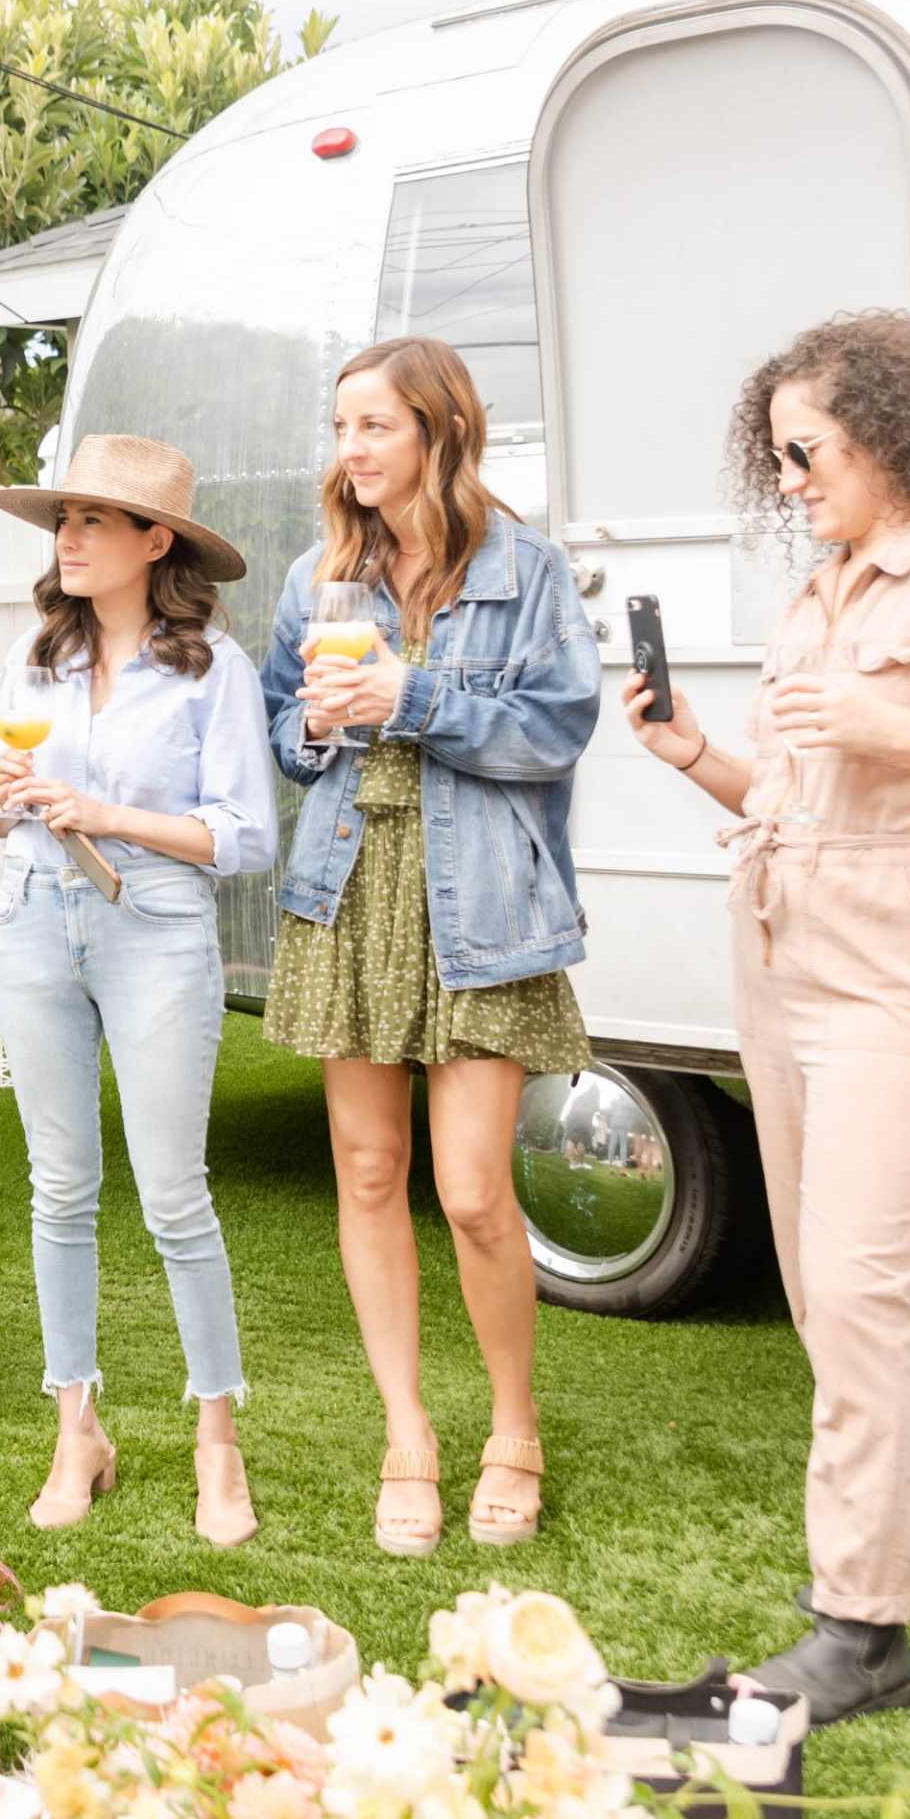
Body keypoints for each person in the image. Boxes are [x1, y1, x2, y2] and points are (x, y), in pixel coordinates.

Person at [621, 311, 910, 1725]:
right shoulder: (824, 593)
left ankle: (861, 1625)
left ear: (892, 433)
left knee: (864, 1274)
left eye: (806, 450)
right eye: (775, 456)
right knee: (833, 1278)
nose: (789, 479)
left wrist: (898, 731)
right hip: (787, 941)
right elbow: (796, 789)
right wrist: (697, 751)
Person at [260, 338, 602, 1560]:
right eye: (341, 426)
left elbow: (556, 734)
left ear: (438, 433)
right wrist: (310, 722)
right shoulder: (321, 574)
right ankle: (408, 1431)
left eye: (373, 427)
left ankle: (515, 1425)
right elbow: (281, 732)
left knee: (469, 1191)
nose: (349, 449)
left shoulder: (528, 569)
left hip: (485, 898)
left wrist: (408, 699)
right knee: (363, 1171)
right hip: (351, 885)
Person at [0, 436, 275, 1545]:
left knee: (173, 1197)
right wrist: (7, 798)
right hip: (33, 927)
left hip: (154, 934)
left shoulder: (212, 671)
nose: (70, 537)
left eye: (95, 521)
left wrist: (106, 815)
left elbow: (242, 837)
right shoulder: (33, 660)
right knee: (59, 1191)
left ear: (158, 543)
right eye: (65, 520)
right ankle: (77, 1432)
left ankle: (217, 1444)